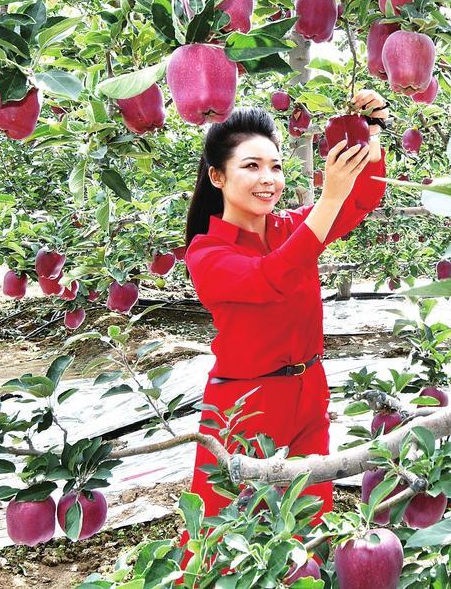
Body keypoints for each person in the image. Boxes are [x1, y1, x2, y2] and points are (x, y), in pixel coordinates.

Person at [176, 90, 389, 578]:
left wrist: (369, 134)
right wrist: (329, 196)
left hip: (308, 390)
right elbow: (274, 276)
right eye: (251, 166)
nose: (268, 179)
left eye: (275, 166)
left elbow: (361, 199)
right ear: (217, 176)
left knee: (310, 522)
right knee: (226, 532)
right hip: (244, 405)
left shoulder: (290, 226)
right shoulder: (207, 254)